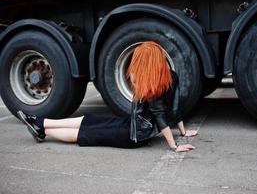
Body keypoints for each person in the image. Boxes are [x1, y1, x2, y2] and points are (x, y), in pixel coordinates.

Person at [17, 41, 197, 152]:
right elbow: (175, 107)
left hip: (134, 137)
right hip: (132, 125)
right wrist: (182, 132)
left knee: (88, 133)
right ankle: (39, 122)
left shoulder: (152, 85)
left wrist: (174, 146)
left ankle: (43, 129)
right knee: (91, 120)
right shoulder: (169, 75)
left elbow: (161, 115)